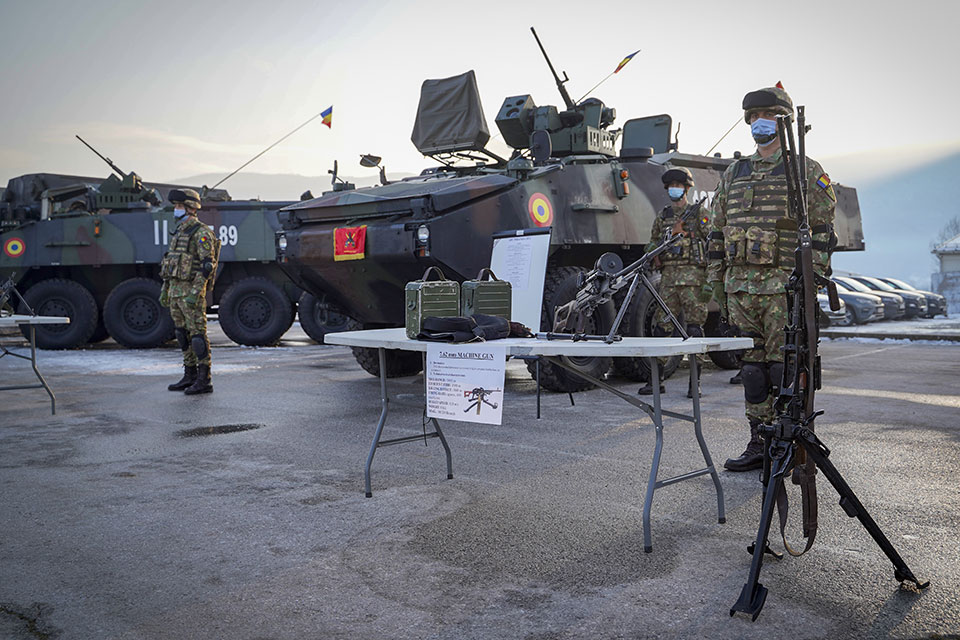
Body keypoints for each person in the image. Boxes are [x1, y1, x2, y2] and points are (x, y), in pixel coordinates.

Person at [707, 85, 836, 471]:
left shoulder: (806, 171)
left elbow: (823, 233)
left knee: (786, 369)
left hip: (784, 291)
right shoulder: (734, 173)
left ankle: (791, 445)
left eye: (766, 116)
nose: (758, 124)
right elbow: (716, 232)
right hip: (741, 290)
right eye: (753, 117)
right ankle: (759, 442)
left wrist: (812, 282)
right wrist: (718, 285)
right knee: (752, 372)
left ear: (782, 122)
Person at [638, 167, 711, 398]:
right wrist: (660, 247)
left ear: (687, 189)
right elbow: (651, 245)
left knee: (694, 330)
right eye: (671, 187)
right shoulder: (663, 216)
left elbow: (711, 242)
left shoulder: (699, 214)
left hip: (694, 280)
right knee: (662, 328)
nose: (674, 190)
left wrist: (710, 277)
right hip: (668, 280)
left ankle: (694, 383)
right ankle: (656, 381)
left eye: (678, 186)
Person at [159, 188, 220, 395]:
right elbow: (171, 263)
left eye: (179, 206)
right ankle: (190, 374)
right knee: (182, 334)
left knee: (197, 336)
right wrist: (166, 289)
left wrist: (196, 292)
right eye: (175, 206)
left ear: (190, 208)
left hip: (191, 293)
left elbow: (207, 266)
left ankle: (204, 379)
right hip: (176, 291)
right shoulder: (179, 232)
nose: (175, 210)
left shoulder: (201, 233)